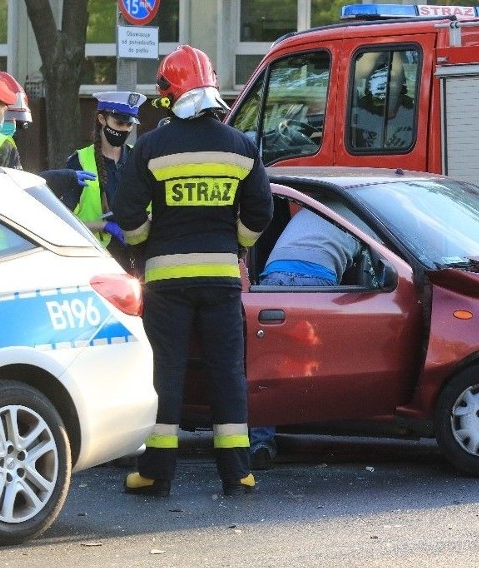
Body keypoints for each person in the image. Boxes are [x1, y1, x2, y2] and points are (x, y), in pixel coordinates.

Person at [113, 45, 273, 498]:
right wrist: (237, 245)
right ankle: (237, 473)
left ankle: (156, 473)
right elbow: (261, 210)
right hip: (221, 279)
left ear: (171, 93)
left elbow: (127, 213)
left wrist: (146, 244)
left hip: (166, 281)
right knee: (227, 372)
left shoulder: (150, 147)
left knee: (165, 371)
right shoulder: (241, 146)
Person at [250, 208, 361, 468]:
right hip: (315, 279)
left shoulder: (308, 211)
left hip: (273, 275)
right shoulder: (359, 218)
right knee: (313, 360)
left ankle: (261, 442)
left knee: (270, 366)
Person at [65, 91, 146, 274]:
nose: (124, 129)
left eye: (129, 124)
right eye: (119, 123)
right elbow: (64, 221)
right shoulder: (79, 161)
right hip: (93, 261)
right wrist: (103, 226)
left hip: (135, 260)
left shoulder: (138, 158)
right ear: (102, 119)